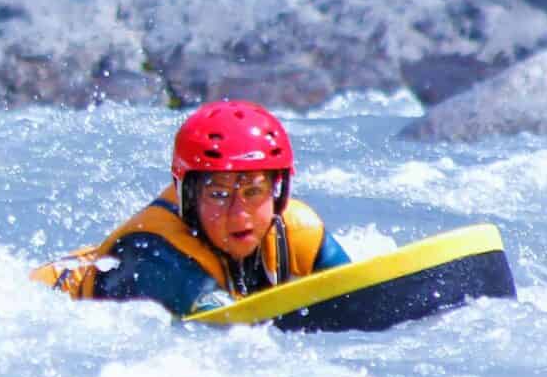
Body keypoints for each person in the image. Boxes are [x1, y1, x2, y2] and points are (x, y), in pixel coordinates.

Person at [31, 100, 350, 315]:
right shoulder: (155, 254)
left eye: (254, 191)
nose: (240, 215)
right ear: (189, 196)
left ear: (278, 192)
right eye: (219, 195)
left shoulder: (299, 230)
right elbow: (230, 336)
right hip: (41, 302)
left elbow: (359, 297)